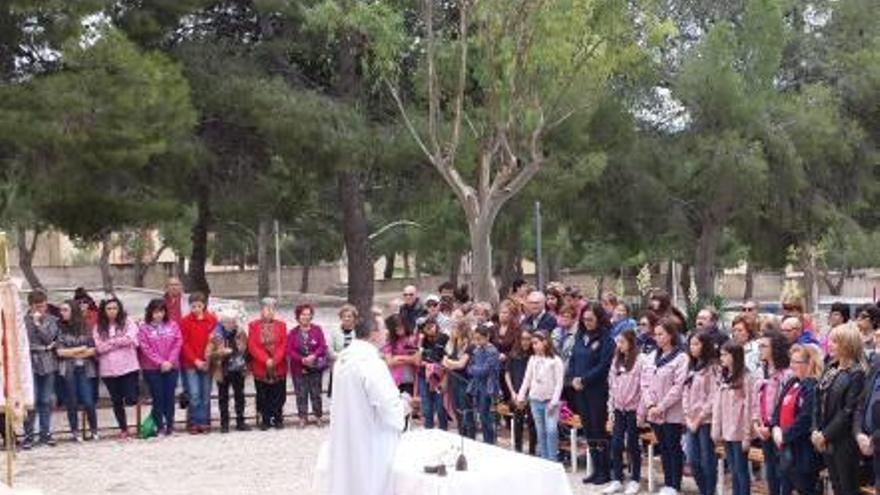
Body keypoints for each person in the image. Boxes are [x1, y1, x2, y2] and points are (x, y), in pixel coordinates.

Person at [328, 318, 409, 495]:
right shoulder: (370, 363)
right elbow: (387, 405)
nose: (387, 332)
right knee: (371, 481)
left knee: (350, 479)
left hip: (349, 431)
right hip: (372, 436)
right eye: (383, 329)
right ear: (373, 334)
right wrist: (405, 405)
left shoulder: (344, 358)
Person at [811, 324, 866, 495]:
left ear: (847, 344)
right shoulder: (831, 367)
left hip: (844, 441)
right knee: (836, 486)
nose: (829, 344)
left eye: (835, 341)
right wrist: (815, 430)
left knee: (847, 488)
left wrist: (825, 434)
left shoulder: (857, 373)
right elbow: (817, 399)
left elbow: (848, 411)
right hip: (826, 438)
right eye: (830, 340)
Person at [640, 318, 688, 495]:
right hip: (653, 410)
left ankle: (674, 484)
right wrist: (650, 404)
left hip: (671, 411)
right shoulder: (652, 356)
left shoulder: (681, 357)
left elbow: (678, 386)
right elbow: (644, 383)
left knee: (673, 446)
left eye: (661, 334)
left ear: (670, 335)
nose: (657, 338)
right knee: (663, 446)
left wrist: (661, 406)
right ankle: (667, 482)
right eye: (656, 334)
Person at [570, 302, 614, 485]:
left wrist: (584, 379)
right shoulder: (580, 336)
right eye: (584, 319)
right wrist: (573, 377)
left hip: (597, 391)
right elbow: (573, 359)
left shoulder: (606, 339)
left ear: (599, 319)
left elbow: (603, 366)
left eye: (591, 319)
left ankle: (605, 470)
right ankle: (596, 469)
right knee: (588, 430)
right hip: (580, 391)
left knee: (599, 430)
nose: (587, 322)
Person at [772, 344, 822, 495]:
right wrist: (775, 427)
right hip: (785, 446)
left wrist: (785, 435)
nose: (792, 366)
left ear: (809, 364)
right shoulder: (792, 382)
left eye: (796, 362)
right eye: (791, 361)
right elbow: (778, 407)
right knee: (785, 487)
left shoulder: (812, 386)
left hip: (802, 449)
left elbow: (805, 418)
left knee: (805, 488)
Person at [603, 328, 644, 495]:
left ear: (631, 342)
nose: (619, 346)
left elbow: (644, 387)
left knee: (633, 445)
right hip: (619, 409)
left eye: (622, 342)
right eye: (617, 342)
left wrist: (641, 411)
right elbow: (612, 385)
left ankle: (635, 479)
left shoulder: (641, 360)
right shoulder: (616, 360)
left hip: (634, 409)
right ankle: (617, 479)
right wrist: (611, 409)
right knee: (616, 444)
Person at [94, 296, 140, 441]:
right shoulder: (99, 327)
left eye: (114, 308)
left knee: (131, 397)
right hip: (109, 369)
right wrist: (119, 342)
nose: (112, 311)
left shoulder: (128, 321)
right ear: (104, 310)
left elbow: (130, 338)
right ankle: (123, 429)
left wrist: (111, 343)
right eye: (108, 308)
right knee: (116, 400)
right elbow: (99, 347)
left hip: (128, 366)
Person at [752, 329, 792, 495]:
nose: (760, 349)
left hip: (779, 429)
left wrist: (772, 426)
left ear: (775, 348)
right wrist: (756, 423)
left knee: (782, 470)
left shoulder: (786, 373)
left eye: (764, 346)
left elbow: (785, 403)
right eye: (759, 346)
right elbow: (756, 399)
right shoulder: (761, 370)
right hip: (763, 427)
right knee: (770, 470)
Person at [712, 341, 753, 495]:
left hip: (740, 431)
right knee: (734, 469)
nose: (721, 357)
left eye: (725, 354)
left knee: (741, 469)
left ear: (735, 356)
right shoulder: (723, 376)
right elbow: (718, 405)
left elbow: (749, 406)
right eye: (721, 354)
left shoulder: (745, 377)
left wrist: (747, 435)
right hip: (727, 430)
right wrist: (717, 428)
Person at [55, 299, 98, 442]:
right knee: (71, 402)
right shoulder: (59, 327)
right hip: (68, 370)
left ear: (73, 311)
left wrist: (72, 352)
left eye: (65, 310)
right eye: (61, 310)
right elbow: (60, 352)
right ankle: (75, 431)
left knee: (88, 401)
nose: (62, 313)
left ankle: (94, 430)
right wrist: (80, 349)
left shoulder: (85, 327)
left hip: (85, 369)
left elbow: (92, 349)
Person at [516, 330, 563, 460]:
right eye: (533, 344)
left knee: (551, 430)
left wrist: (554, 402)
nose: (533, 346)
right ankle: (544, 457)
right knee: (540, 431)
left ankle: (553, 458)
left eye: (536, 343)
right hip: (535, 400)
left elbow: (559, 383)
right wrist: (521, 396)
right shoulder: (532, 359)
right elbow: (527, 379)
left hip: (550, 402)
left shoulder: (556, 360)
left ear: (545, 343)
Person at [138, 298, 182, 436]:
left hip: (172, 366)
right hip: (152, 368)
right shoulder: (144, 328)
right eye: (155, 312)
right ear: (150, 312)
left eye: (161, 311)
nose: (158, 315)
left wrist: (169, 361)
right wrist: (160, 362)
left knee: (169, 396)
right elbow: (145, 348)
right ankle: (159, 426)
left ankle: (170, 425)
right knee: (158, 397)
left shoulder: (172, 325)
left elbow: (178, 342)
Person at [682, 331, 718, 495]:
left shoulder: (713, 368)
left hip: (705, 421)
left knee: (706, 460)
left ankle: (709, 491)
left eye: (696, 344)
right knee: (692, 460)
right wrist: (688, 415)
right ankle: (703, 489)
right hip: (691, 420)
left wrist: (699, 417)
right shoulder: (691, 367)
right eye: (691, 344)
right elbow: (685, 393)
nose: (693, 348)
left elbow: (713, 396)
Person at [22, 290, 59, 449]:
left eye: (43, 306)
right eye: (37, 306)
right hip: (29, 363)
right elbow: (24, 343)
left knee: (46, 400)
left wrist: (39, 324)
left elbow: (50, 338)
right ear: (31, 306)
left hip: (48, 363)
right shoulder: (23, 321)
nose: (40, 309)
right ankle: (28, 435)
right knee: (31, 401)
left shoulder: (51, 320)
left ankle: (45, 434)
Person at [248, 298, 288, 430]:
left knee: (279, 394)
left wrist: (274, 360)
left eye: (272, 309)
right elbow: (252, 345)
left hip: (278, 365)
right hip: (261, 365)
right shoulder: (253, 325)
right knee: (263, 395)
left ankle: (277, 418)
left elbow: (283, 344)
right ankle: (265, 419)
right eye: (267, 309)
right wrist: (266, 360)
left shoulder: (281, 325)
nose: (270, 312)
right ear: (261, 311)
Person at [206, 310, 249, 433]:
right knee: (223, 397)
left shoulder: (241, 333)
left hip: (238, 369)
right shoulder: (215, 335)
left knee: (240, 396)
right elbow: (208, 354)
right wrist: (220, 352)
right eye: (228, 322)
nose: (231, 324)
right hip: (222, 368)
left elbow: (246, 350)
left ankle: (240, 421)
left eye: (233, 321)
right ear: (222, 323)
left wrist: (242, 351)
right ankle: (224, 424)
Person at [180, 292, 217, 434]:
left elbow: (215, 341)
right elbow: (184, 344)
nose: (196, 309)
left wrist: (208, 359)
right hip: (191, 363)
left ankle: (204, 422)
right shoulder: (185, 322)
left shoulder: (212, 320)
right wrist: (195, 361)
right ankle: (194, 422)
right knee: (194, 393)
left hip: (207, 363)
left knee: (205, 393)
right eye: (193, 306)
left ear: (204, 305)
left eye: (199, 306)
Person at [287, 303, 328, 428]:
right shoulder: (293, 332)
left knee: (316, 393)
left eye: (308, 314)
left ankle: (318, 416)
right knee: (301, 393)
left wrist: (314, 356)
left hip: (315, 367)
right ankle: (302, 417)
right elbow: (289, 350)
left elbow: (322, 346)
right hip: (298, 368)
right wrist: (302, 359)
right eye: (303, 314)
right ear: (298, 316)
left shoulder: (317, 329)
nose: (305, 317)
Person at [441, 319, 475, 439]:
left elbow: (461, 364)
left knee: (466, 412)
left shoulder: (470, 345)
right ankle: (462, 436)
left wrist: (449, 363)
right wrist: (451, 363)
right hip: (453, 380)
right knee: (457, 411)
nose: (452, 331)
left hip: (464, 382)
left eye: (455, 328)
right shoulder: (451, 343)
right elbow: (443, 361)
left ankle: (470, 438)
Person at [467, 325, 501, 444]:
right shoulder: (476, 350)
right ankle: (485, 439)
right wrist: (475, 369)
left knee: (486, 416)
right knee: (480, 414)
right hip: (478, 386)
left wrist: (474, 370)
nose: (478, 342)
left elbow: (485, 370)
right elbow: (469, 367)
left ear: (487, 337)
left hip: (489, 387)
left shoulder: (492, 351)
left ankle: (489, 441)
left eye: (480, 338)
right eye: (476, 339)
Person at [503, 328, 535, 453]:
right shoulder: (514, 354)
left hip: (531, 395)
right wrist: (512, 392)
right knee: (518, 422)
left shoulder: (534, 356)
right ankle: (518, 449)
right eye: (523, 339)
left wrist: (527, 396)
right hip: (516, 394)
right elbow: (507, 373)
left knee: (532, 424)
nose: (525, 342)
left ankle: (532, 450)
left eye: (528, 339)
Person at [417, 317, 448, 430]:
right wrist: (420, 342)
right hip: (424, 376)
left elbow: (447, 357)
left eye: (432, 325)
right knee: (426, 406)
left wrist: (435, 364)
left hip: (439, 376)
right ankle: (428, 431)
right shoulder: (422, 340)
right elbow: (417, 361)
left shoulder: (443, 338)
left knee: (440, 406)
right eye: (427, 326)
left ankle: (444, 431)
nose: (429, 328)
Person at [384, 314, 419, 396]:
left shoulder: (413, 339)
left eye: (400, 325)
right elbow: (389, 362)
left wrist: (397, 357)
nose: (398, 328)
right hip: (395, 381)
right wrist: (410, 359)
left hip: (411, 381)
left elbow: (417, 360)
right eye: (395, 327)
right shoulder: (390, 342)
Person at [328, 304, 359, 397]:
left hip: (354, 368)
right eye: (344, 316)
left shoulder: (358, 331)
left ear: (354, 318)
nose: (346, 319)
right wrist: (341, 357)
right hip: (339, 367)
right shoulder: (334, 331)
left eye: (349, 316)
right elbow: (330, 349)